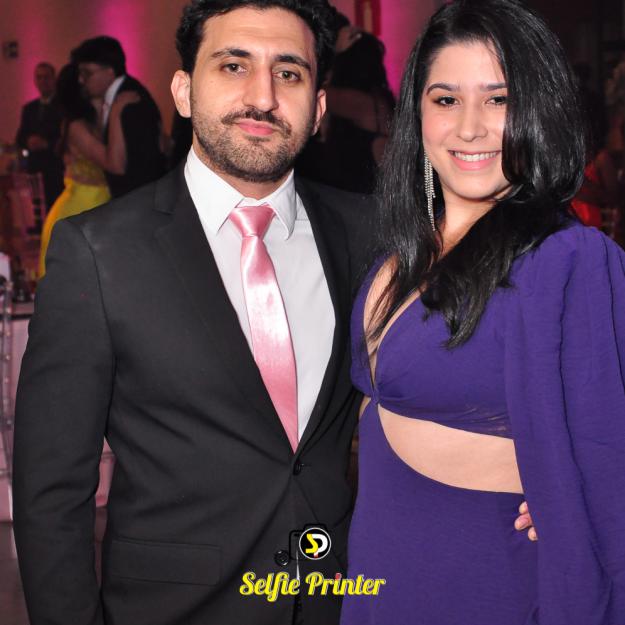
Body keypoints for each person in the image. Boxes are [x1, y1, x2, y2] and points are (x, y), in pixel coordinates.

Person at [13, 2, 368, 624]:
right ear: (183, 91)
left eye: (288, 73)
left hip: (338, 601)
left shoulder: (367, 233)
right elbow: (51, 490)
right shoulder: (98, 252)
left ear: (317, 109)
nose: (263, 96)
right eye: (233, 65)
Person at [342, 1, 625, 624]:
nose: (469, 128)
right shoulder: (396, 252)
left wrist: (574, 498)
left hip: (487, 581)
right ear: (417, 113)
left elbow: (609, 444)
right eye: (446, 99)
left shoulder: (568, 261)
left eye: (498, 100)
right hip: (379, 572)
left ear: (539, 111)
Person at [38, 63, 138, 277]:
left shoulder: (91, 122)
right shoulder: (76, 127)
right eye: (84, 77)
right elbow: (114, 163)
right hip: (79, 207)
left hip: (95, 205)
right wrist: (117, 111)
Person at [297, 21, 394, 194]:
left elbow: (307, 90)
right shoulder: (376, 98)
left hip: (358, 198)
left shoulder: (358, 102)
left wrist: (333, 53)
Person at [71, 36, 166, 198]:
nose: (81, 80)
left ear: (109, 72)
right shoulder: (122, 95)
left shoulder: (129, 101)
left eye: (87, 73)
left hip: (138, 199)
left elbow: (139, 163)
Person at [15, 62, 64, 209]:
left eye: (46, 77)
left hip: (56, 169)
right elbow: (20, 137)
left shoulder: (63, 106)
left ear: (54, 79)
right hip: (35, 170)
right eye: (39, 77)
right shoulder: (29, 108)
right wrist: (28, 141)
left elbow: (67, 137)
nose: (43, 81)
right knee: (37, 210)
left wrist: (47, 143)